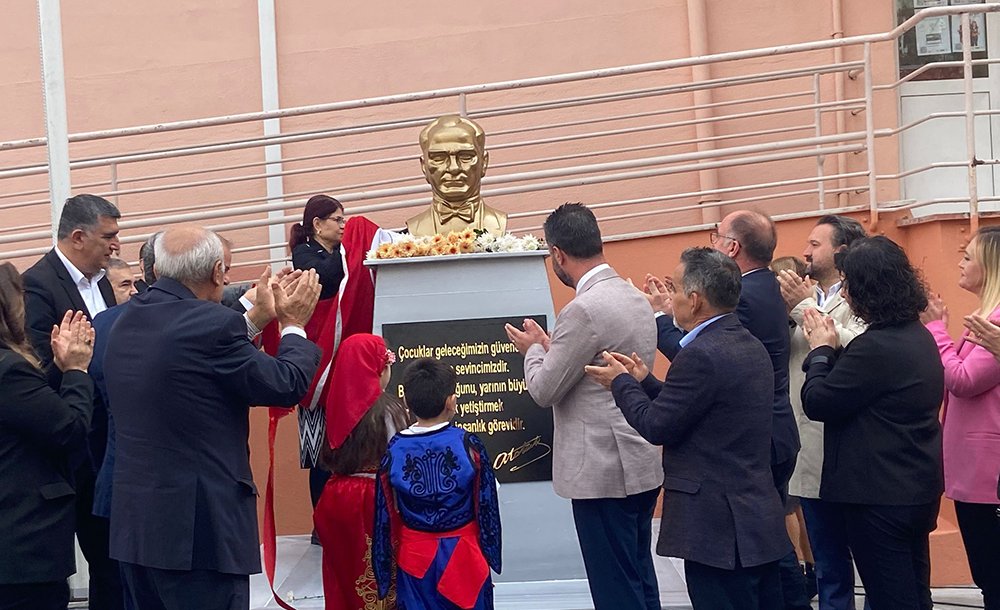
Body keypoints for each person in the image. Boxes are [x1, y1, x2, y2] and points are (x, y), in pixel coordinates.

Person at [103, 226, 322, 610]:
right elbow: (284, 384)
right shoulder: (211, 326)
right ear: (219, 271)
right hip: (199, 537)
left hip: (139, 530)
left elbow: (193, 356)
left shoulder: (128, 317)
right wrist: (294, 324)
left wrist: (255, 316)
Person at [585, 247, 789, 609]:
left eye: (676, 290)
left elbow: (657, 425)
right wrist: (644, 380)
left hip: (719, 531)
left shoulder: (701, 354)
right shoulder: (748, 344)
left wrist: (620, 384)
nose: (671, 299)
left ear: (694, 301)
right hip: (754, 522)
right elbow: (694, 411)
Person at [506, 203, 662, 610]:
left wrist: (532, 351)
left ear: (557, 254)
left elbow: (544, 389)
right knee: (640, 573)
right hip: (640, 456)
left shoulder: (583, 309)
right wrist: (549, 345)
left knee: (615, 585)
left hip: (603, 467)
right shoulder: (632, 294)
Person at [655, 210, 804, 607]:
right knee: (764, 552)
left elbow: (702, 363)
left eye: (716, 235)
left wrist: (657, 322)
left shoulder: (741, 306)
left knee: (747, 566)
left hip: (734, 462)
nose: (673, 297)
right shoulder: (763, 290)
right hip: (766, 437)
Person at [800, 236, 944, 610]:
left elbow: (818, 401)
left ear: (868, 289)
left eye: (848, 285)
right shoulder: (918, 336)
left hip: (877, 496)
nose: (844, 294)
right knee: (913, 591)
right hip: (915, 488)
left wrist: (819, 351)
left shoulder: (875, 347)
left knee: (891, 598)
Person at [21, 193, 124, 610]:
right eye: (109, 236)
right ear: (78, 237)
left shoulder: (102, 282)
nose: (117, 245)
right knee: (100, 560)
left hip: (115, 443)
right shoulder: (38, 285)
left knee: (118, 564)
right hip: (76, 448)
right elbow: (40, 368)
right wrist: (78, 362)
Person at [777, 215, 867, 610]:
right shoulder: (811, 297)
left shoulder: (862, 297)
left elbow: (858, 352)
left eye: (815, 244)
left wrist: (802, 309)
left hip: (849, 451)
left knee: (869, 562)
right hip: (808, 448)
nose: (805, 252)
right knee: (828, 565)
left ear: (841, 251)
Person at [0, 264, 96, 610]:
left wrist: (57, 367)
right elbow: (67, 429)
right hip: (22, 551)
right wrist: (76, 370)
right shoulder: (9, 370)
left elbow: (32, 410)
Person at [373, 358, 502, 610]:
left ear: (407, 402)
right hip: (464, 554)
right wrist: (489, 553)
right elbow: (487, 505)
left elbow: (383, 514)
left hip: (415, 558)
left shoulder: (395, 450)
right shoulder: (469, 444)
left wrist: (383, 572)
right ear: (451, 401)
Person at [921, 226, 1000, 610]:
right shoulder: (986, 316)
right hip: (975, 470)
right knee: (988, 574)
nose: (961, 263)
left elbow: (962, 379)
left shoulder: (997, 319)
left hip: (989, 473)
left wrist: (937, 329)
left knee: (993, 574)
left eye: (968, 256)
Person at [313, 334, 409, 610]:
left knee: (343, 569)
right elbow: (398, 460)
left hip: (336, 496)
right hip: (375, 497)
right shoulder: (388, 410)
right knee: (378, 568)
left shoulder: (336, 403)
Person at [289, 194, 348, 513]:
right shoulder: (304, 254)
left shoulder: (339, 252)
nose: (343, 226)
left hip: (339, 361)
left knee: (344, 445)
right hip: (314, 363)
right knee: (317, 450)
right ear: (317, 224)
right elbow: (328, 275)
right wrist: (351, 249)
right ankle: (321, 522)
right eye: (337, 220)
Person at [405, 115, 507, 236]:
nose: (454, 168)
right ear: (424, 166)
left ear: (484, 162)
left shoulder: (498, 222)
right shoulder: (416, 227)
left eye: (466, 156)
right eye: (439, 158)